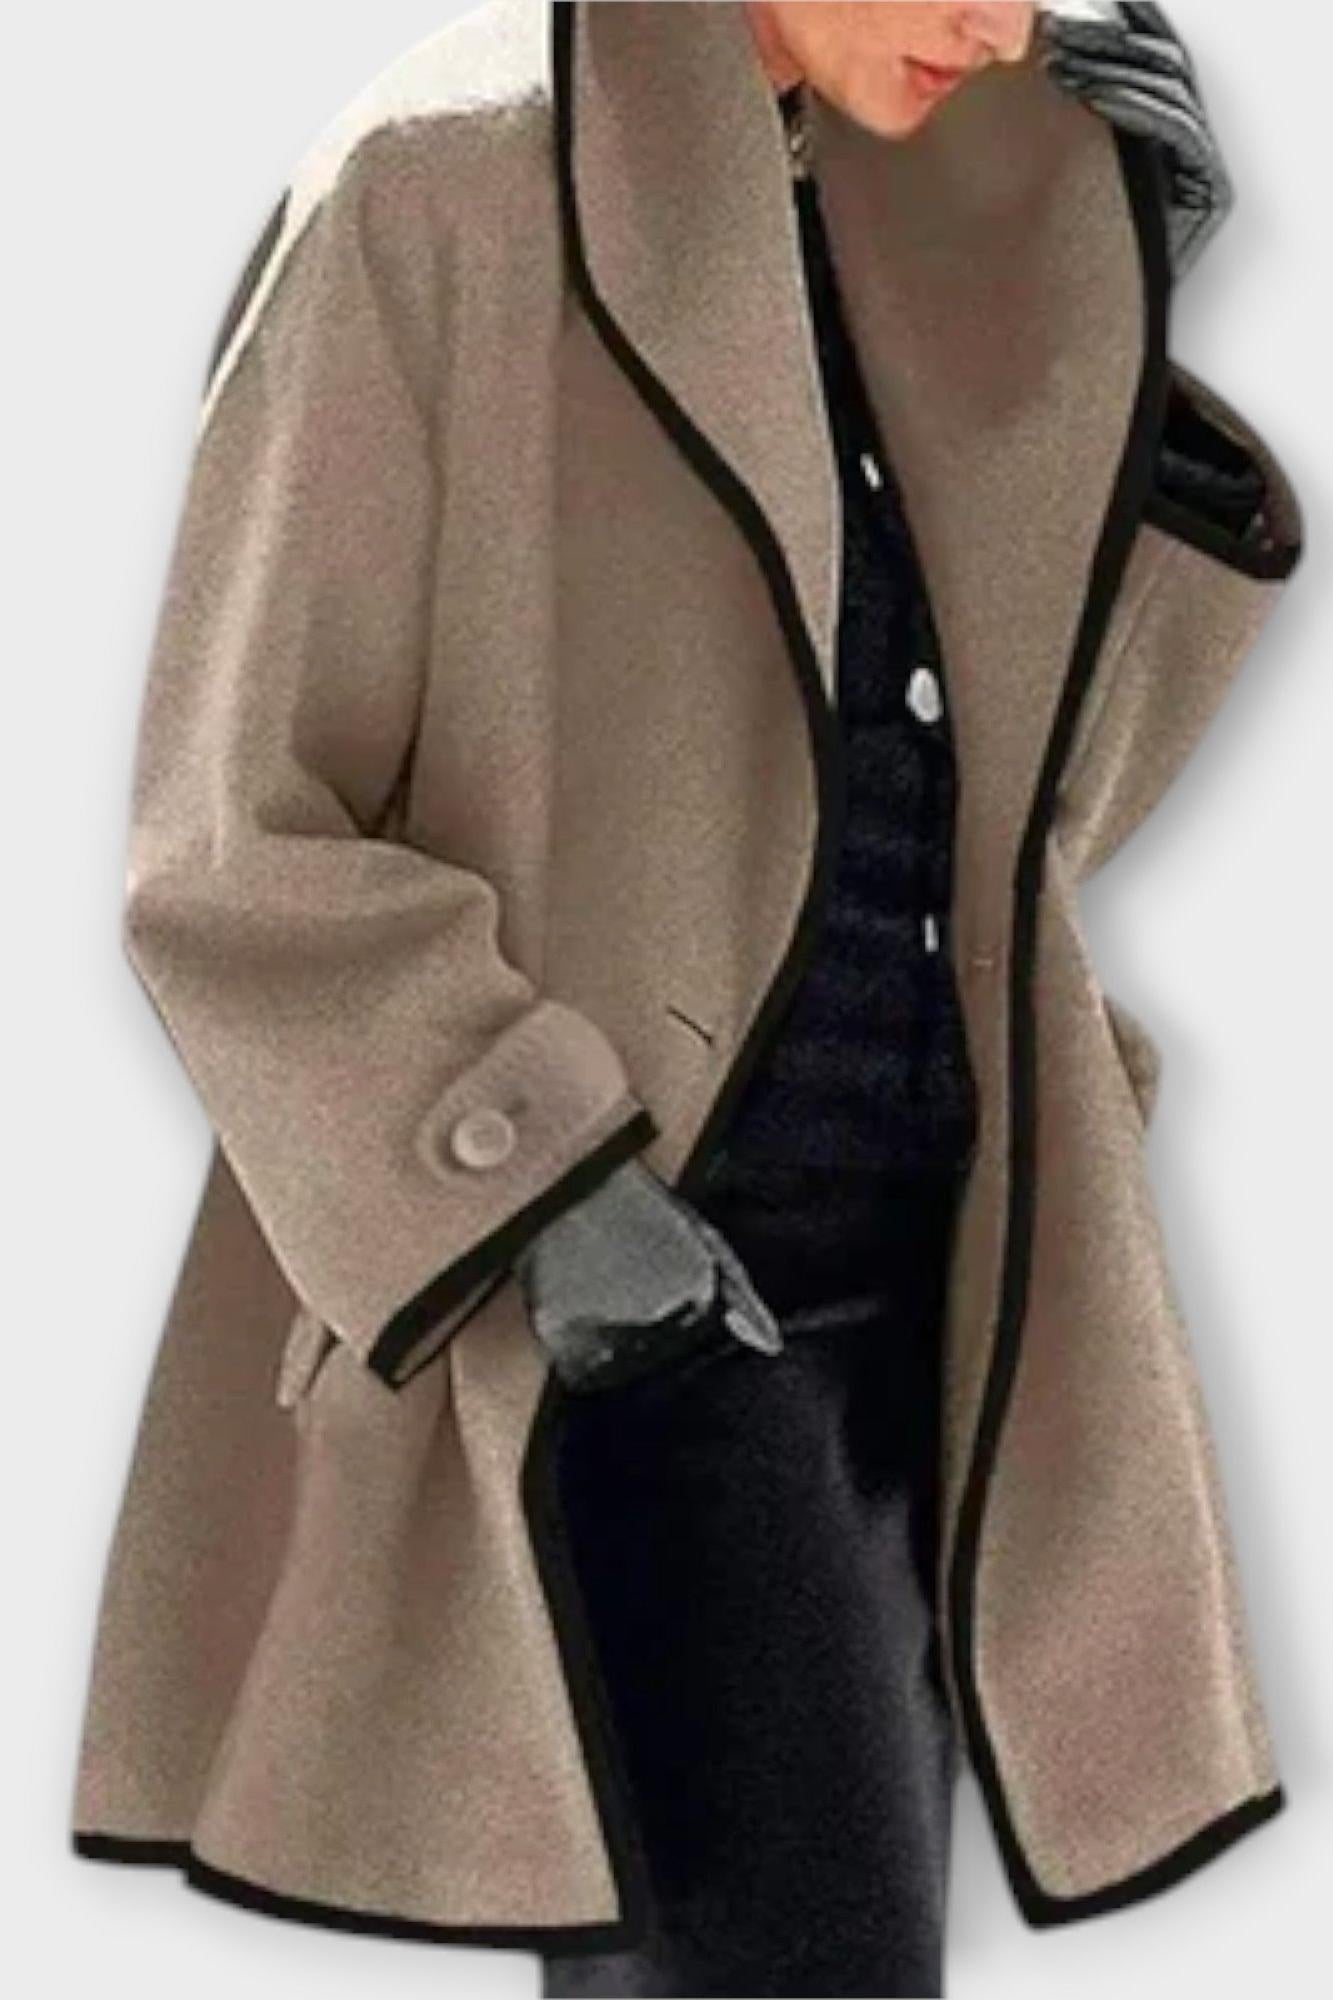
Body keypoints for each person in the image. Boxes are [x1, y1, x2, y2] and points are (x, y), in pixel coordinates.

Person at [70, 5, 1302, 1995]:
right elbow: (230, 837)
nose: (1005, 22)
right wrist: (548, 1200)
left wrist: (1106, 331)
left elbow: (1025, 820)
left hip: (945, 1292)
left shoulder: (921, 206)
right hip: (658, 1301)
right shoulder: (443, 185)